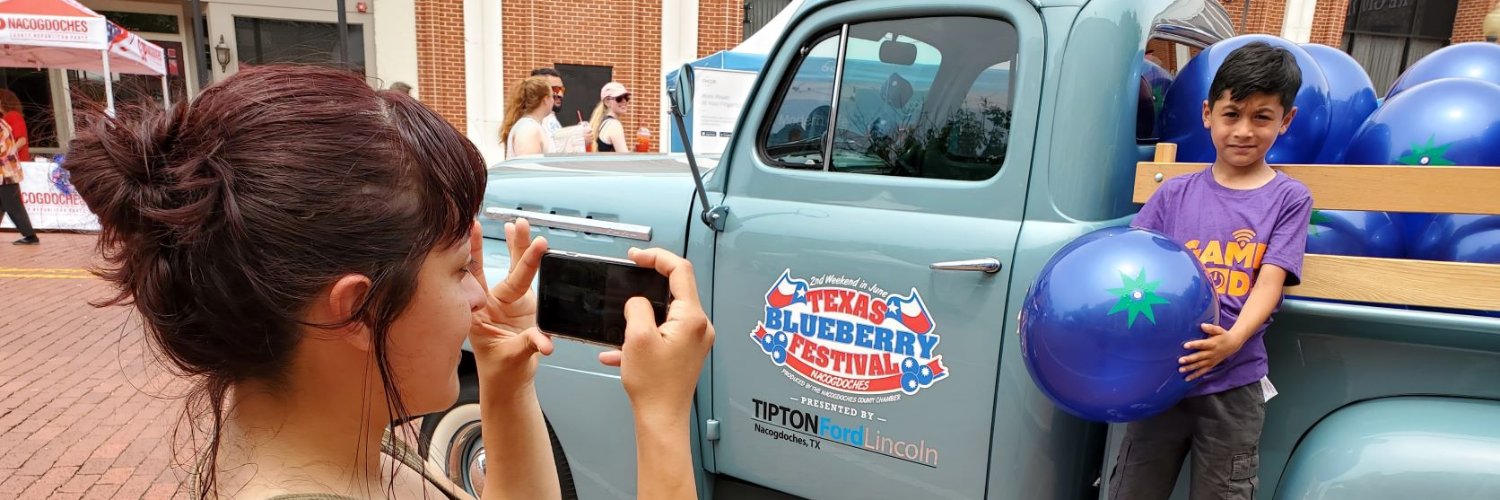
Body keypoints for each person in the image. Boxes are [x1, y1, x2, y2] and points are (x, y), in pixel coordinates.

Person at [65, 64, 716, 499]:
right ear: (356, 309)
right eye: (461, 269)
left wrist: (507, 379)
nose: (481, 298)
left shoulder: (295, 437)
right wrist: (663, 419)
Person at [1110, 42, 1313, 500]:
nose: (1243, 130)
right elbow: (1133, 269)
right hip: (1162, 382)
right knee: (1133, 489)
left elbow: (1271, 279)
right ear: (1208, 113)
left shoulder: (1290, 199)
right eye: (1232, 113)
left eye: (1262, 117)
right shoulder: (1174, 195)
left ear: (1286, 121)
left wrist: (1233, 340)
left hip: (1234, 386)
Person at [0, 89, 36, 245]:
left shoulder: (6, 121)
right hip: (6, 169)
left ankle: (30, 235)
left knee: (12, 203)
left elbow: (5, 146)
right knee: (4, 202)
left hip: (5, 170)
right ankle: (30, 235)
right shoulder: (3, 122)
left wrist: (11, 153)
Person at [501, 76, 556, 159]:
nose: (553, 100)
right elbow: (530, 168)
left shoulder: (532, 126)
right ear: (545, 99)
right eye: (552, 96)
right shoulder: (528, 128)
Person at [589, 82, 630, 153]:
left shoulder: (603, 123)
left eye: (626, 97)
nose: (624, 101)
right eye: (619, 98)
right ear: (607, 102)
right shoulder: (614, 125)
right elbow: (625, 159)